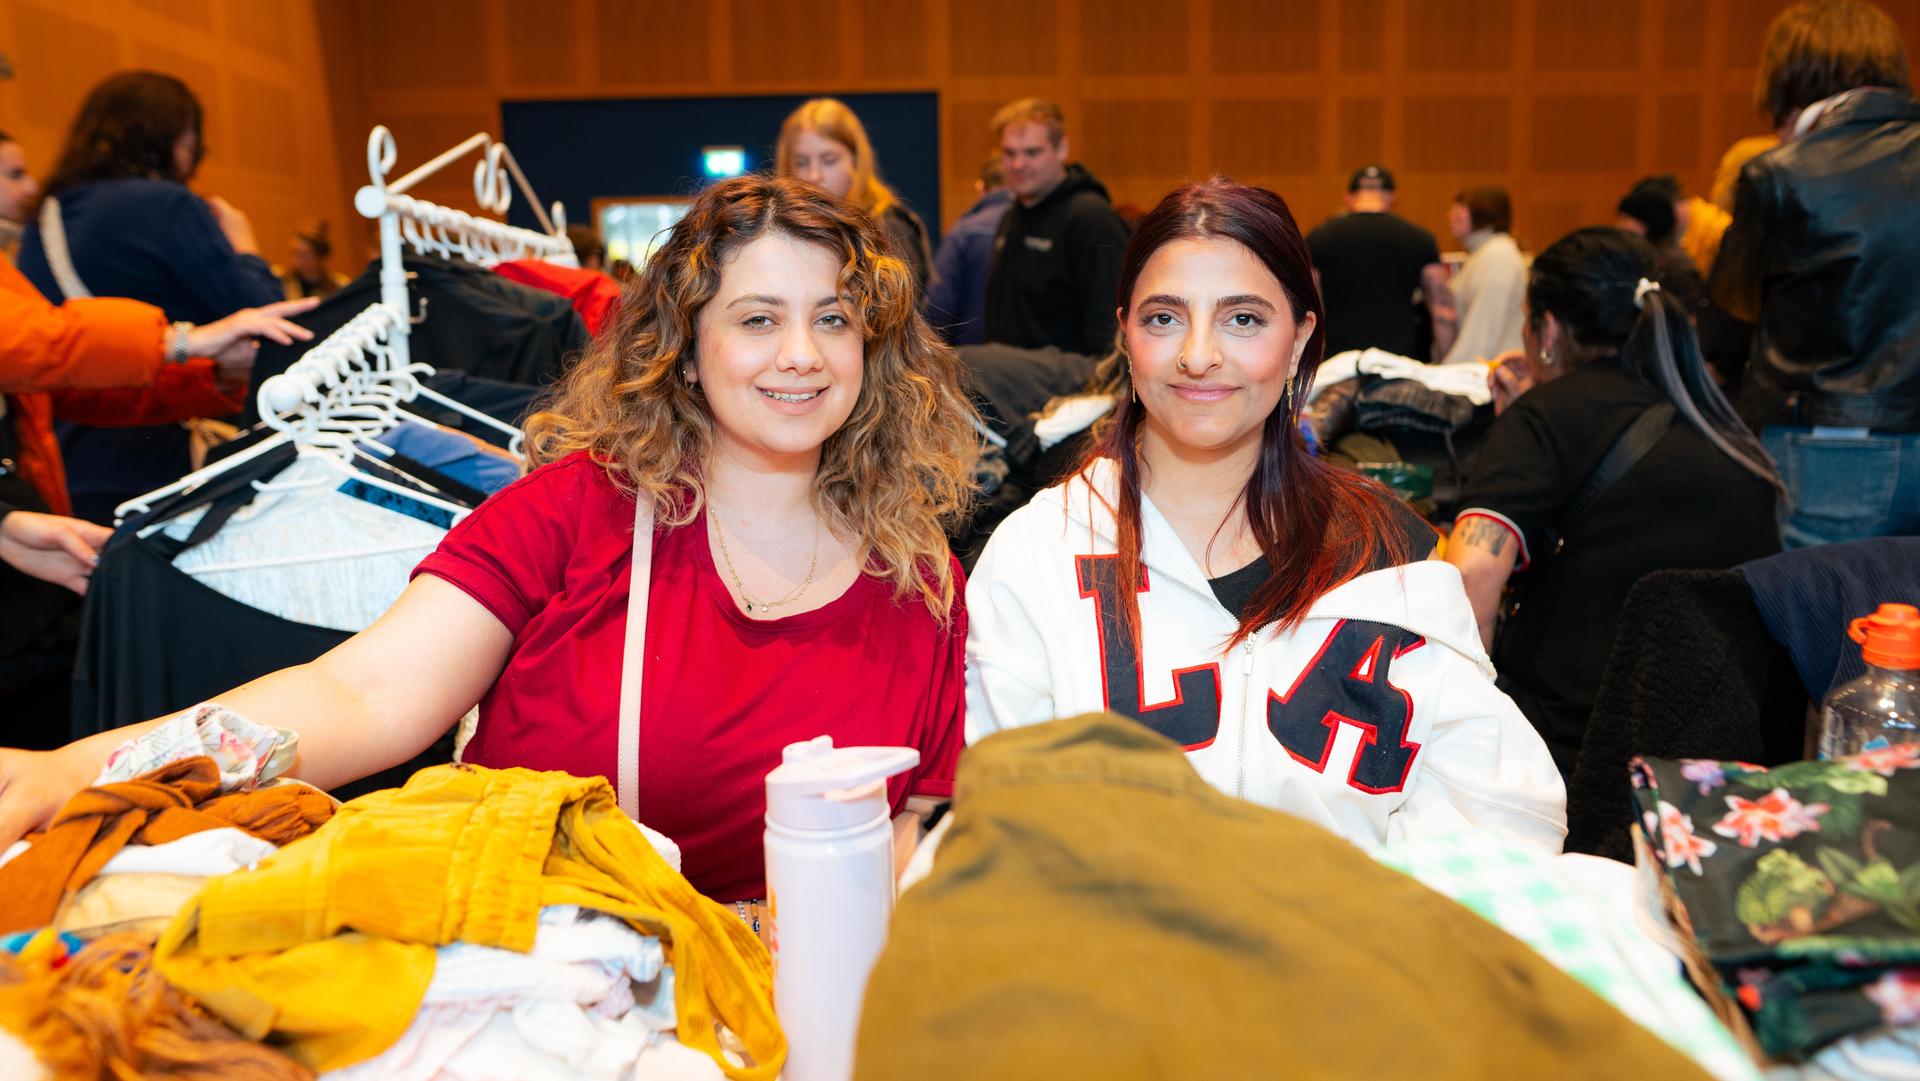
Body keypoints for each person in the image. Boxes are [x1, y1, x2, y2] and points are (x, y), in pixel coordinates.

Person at [0, 176, 978, 920]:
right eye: (758, 318)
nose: (801, 353)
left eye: (833, 320)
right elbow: (360, 694)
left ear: (873, 349)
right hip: (530, 984)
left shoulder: (920, 577)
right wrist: (76, 775)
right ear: (685, 345)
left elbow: (906, 837)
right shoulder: (577, 512)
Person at [966, 177, 1566, 851]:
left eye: (1242, 318)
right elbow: (996, 824)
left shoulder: (1391, 554)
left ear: (1302, 339)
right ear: (1126, 337)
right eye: (1163, 318)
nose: (1198, 355)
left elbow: (1507, 815)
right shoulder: (1039, 551)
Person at [1, 128, 319, 740]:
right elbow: (40, 341)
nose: (30, 185)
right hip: (78, 513)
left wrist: (204, 374)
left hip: (47, 512)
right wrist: (189, 332)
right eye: (12, 175)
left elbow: (54, 383)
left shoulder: (50, 223)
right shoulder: (167, 207)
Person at [1446, 228, 1783, 776]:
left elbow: (1471, 577)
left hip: (1572, 751)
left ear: (1548, 328)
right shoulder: (1714, 419)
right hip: (1721, 756)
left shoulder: (1545, 418)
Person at [15, 71, 286, 523]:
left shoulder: (47, 213)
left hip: (67, 454)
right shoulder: (166, 205)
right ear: (177, 138)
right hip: (155, 444)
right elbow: (266, 316)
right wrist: (245, 247)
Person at [1709, 0, 1920, 548]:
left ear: (1786, 77)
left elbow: (1729, 324)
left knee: (1814, 623)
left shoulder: (1781, 174)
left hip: (1831, 449)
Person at [981, 97, 1131, 357]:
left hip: (1068, 387)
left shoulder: (1091, 218)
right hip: (1013, 384)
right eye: (1009, 153)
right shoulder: (1012, 216)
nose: (1018, 165)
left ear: (1061, 149)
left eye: (1032, 152)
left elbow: (1108, 330)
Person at [777, 97, 933, 296]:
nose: (814, 175)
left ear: (856, 162)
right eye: (802, 162)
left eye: (829, 160)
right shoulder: (782, 230)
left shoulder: (889, 227)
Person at [1306, 164, 1453, 361]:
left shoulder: (1318, 239)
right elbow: (1443, 312)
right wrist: (1444, 363)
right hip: (1400, 362)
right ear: (1393, 197)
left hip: (1339, 362)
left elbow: (1309, 307)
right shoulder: (1420, 238)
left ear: (1348, 198)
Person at [1616, 176, 1750, 387]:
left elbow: (1697, 320)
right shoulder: (1654, 258)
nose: (1620, 224)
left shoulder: (1675, 264)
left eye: (1626, 217)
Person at [926, 153, 1012, 345]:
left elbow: (939, 306)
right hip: (1042, 364)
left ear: (981, 187)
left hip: (974, 360)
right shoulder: (1045, 227)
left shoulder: (965, 231)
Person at [1438, 186, 1526, 367]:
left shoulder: (1498, 255)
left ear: (1483, 212)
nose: (1451, 215)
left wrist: (1450, 372)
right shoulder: (1485, 253)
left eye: (1459, 208)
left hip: (1495, 369)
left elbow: (1484, 329)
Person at [277, 220, 348, 300]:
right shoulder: (280, 281)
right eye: (293, 252)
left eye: (303, 255)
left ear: (319, 257)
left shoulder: (338, 285)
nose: (296, 260)